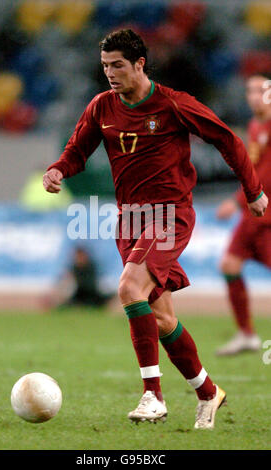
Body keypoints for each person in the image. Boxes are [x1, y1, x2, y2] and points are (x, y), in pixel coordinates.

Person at [43, 29, 268, 429]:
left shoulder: (173, 105)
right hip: (128, 220)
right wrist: (59, 168)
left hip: (169, 215)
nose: (110, 73)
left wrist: (253, 192)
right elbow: (78, 150)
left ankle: (153, 396)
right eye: (105, 66)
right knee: (161, 318)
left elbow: (228, 140)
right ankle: (208, 392)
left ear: (140, 64)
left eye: (118, 65)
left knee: (129, 288)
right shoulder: (101, 107)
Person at [216, 73, 271, 356]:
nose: (253, 96)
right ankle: (247, 334)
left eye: (260, 90)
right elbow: (254, 170)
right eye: (249, 90)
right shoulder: (254, 125)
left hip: (266, 215)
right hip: (254, 214)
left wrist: (237, 201)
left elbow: (266, 173)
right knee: (229, 265)